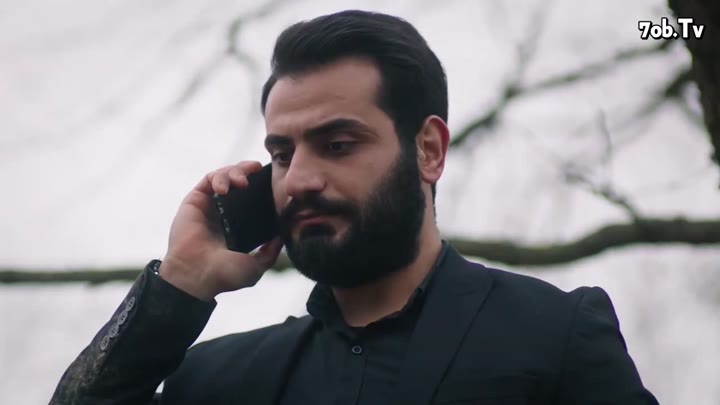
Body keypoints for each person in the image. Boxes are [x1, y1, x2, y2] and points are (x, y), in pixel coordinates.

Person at [50, 9, 658, 405]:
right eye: (281, 154)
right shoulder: (219, 380)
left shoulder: (553, 334)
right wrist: (180, 284)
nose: (298, 180)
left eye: (338, 144)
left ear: (428, 150)